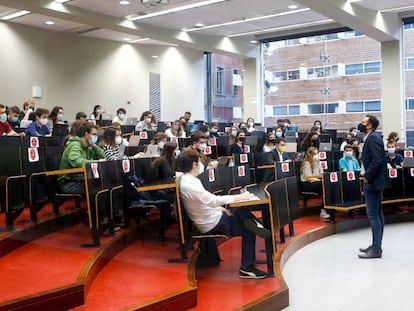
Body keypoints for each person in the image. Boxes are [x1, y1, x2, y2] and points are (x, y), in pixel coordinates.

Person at [178, 149, 270, 279]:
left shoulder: (189, 180)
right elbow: (212, 200)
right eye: (199, 161)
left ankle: (254, 223)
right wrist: (238, 198)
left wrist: (221, 209)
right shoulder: (190, 184)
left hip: (213, 215)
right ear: (194, 164)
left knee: (240, 210)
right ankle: (246, 268)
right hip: (212, 223)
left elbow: (206, 201)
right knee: (248, 230)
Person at [358, 115, 390, 259]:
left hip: (372, 182)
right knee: (377, 214)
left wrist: (367, 176)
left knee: (374, 215)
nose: (360, 124)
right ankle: (376, 245)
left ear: (369, 125)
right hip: (373, 181)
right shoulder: (371, 137)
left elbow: (377, 161)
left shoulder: (373, 138)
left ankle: (376, 249)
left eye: (363, 122)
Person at [58, 123, 105, 196]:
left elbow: (103, 157)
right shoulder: (75, 145)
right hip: (69, 183)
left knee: (105, 187)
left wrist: (94, 146)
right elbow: (76, 161)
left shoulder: (88, 147)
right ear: (86, 134)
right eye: (94, 134)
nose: (96, 137)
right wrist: (96, 162)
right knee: (98, 191)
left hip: (81, 179)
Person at [300, 146, 329, 220]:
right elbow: (308, 177)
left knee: (327, 185)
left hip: (316, 182)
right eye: (315, 154)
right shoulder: (307, 163)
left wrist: (321, 178)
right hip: (307, 184)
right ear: (310, 155)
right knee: (323, 185)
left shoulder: (318, 162)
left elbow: (321, 173)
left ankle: (328, 208)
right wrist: (317, 179)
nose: (316, 156)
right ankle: (323, 211)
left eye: (317, 153)